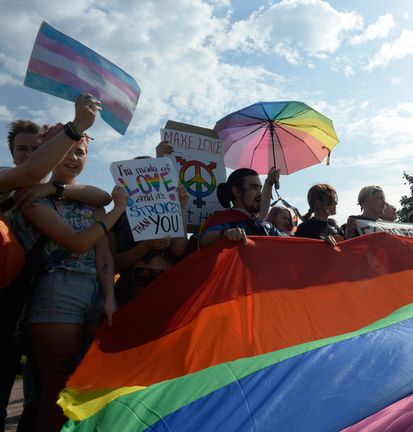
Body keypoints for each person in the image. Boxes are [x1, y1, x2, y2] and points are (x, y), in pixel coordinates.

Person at [1, 96, 107, 428]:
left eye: (39, 148)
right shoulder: (17, 188)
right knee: (48, 389)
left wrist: (57, 190)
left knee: (57, 387)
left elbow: (99, 196)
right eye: (23, 149)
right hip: (29, 301)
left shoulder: (51, 191)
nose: (31, 156)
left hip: (42, 301)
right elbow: (31, 173)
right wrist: (78, 126)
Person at [19, 128, 127, 432]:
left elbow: (103, 255)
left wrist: (108, 297)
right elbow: (78, 243)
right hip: (56, 291)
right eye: (66, 150)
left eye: (80, 152)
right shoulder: (30, 196)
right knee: (57, 387)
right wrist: (117, 210)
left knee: (89, 383)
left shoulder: (91, 202)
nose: (73, 157)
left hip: (93, 293)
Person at [108, 146, 190, 306]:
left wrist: (182, 208)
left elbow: (179, 249)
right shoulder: (116, 217)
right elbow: (111, 265)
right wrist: (146, 246)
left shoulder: (170, 211)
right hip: (133, 287)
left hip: (167, 285)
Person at [198, 168, 283, 248]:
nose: (260, 193)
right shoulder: (224, 220)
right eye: (253, 187)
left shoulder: (265, 225)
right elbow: (204, 240)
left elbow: (287, 241)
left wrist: (269, 182)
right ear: (237, 191)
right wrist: (225, 234)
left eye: (260, 188)